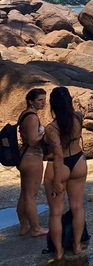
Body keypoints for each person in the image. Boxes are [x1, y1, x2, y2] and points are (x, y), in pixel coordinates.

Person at [44, 86, 87, 260]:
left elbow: (58, 153)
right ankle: (77, 245)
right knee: (77, 206)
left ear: (52, 105)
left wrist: (56, 181)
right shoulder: (78, 117)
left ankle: (59, 251)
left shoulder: (51, 128)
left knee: (56, 212)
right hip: (78, 161)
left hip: (59, 166)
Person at [16, 88, 49, 238]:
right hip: (32, 157)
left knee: (24, 193)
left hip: (25, 157)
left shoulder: (25, 114)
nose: (43, 102)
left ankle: (24, 226)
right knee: (31, 195)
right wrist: (46, 133)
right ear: (31, 101)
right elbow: (33, 140)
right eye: (40, 100)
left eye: (44, 99)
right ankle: (36, 228)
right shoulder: (32, 117)